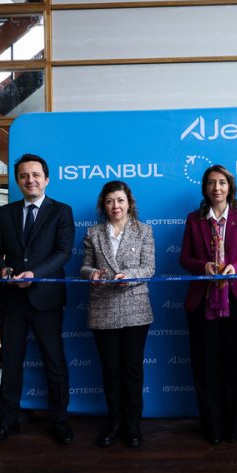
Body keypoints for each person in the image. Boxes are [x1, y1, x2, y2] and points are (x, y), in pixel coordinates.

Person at [0, 154, 75, 450]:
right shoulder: (5, 212)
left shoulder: (61, 211)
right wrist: (3, 271)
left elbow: (63, 252)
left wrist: (35, 274)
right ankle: (8, 421)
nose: (30, 180)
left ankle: (59, 419)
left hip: (46, 297)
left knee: (54, 362)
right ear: (18, 181)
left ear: (46, 179)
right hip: (12, 299)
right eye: (24, 176)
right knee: (10, 363)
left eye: (35, 175)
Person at [179, 165, 237, 444]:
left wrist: (236, 268)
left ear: (230, 187)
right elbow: (184, 258)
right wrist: (203, 266)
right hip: (202, 301)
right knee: (206, 365)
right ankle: (212, 428)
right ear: (204, 188)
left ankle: (232, 427)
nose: (217, 188)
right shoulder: (194, 219)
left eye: (222, 182)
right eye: (211, 183)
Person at [80, 181, 155, 449]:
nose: (115, 206)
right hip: (103, 308)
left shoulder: (144, 231)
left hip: (135, 308)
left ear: (129, 203)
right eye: (110, 201)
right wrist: (93, 274)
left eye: (120, 200)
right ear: (103, 204)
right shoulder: (93, 233)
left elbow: (149, 268)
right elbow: (84, 267)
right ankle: (114, 422)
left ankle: (133, 424)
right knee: (110, 370)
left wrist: (129, 276)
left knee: (132, 370)